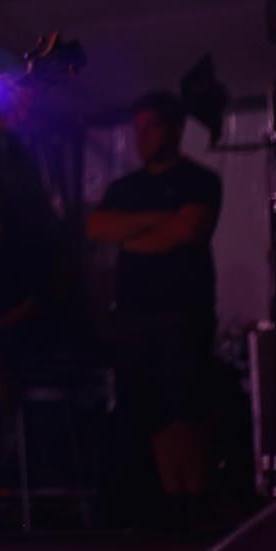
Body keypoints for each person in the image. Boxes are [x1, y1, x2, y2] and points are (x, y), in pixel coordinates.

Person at [86, 91, 222, 521]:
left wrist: (133, 234)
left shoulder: (200, 181)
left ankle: (195, 498)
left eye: (152, 127)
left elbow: (189, 229)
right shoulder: (124, 188)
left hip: (184, 313)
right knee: (150, 410)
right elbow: (98, 227)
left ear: (175, 129)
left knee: (186, 407)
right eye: (138, 128)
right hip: (134, 316)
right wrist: (159, 221)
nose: (142, 137)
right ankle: (169, 502)